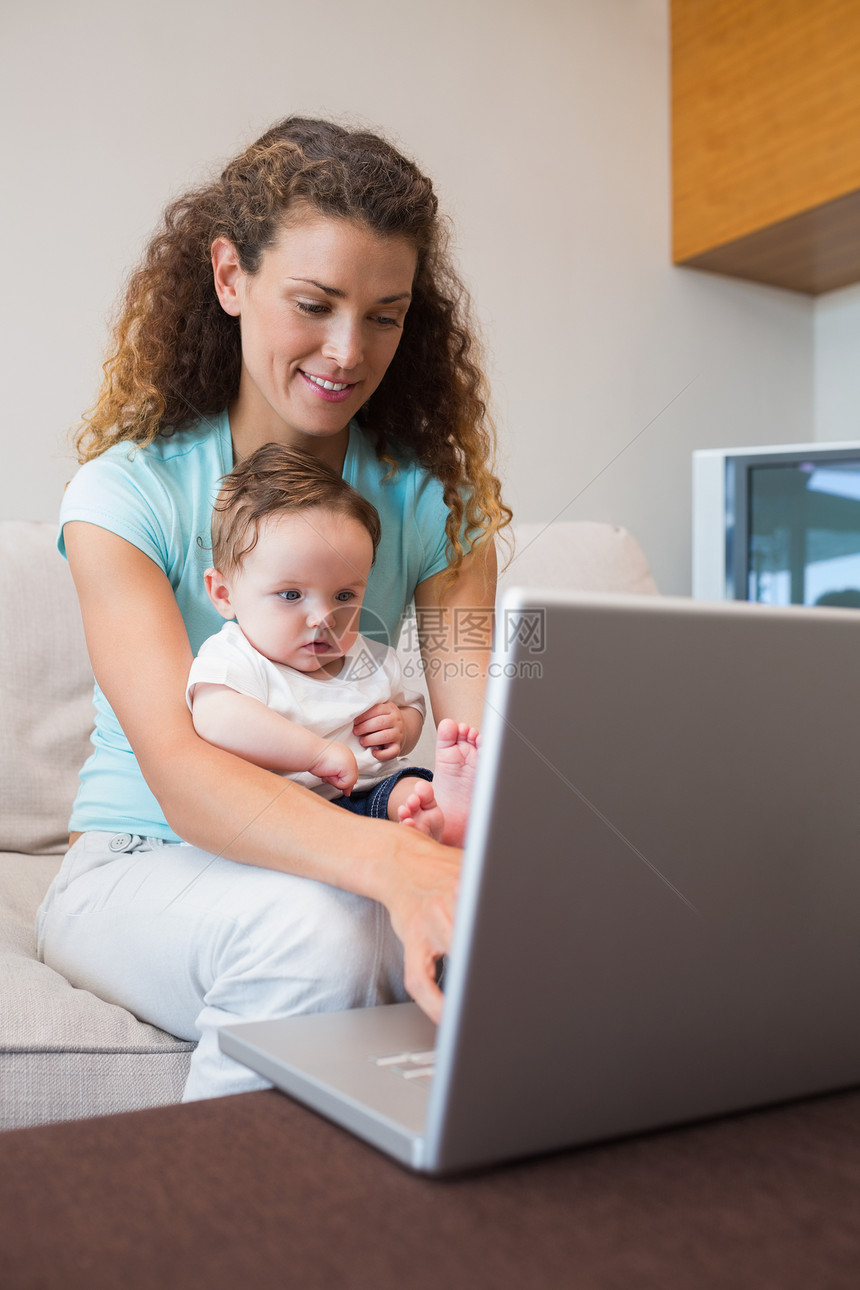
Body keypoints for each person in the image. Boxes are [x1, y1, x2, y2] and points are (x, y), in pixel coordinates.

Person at [36, 115, 510, 1101]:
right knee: (320, 941)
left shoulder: (440, 508)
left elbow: (479, 733)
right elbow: (183, 773)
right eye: (314, 303)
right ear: (229, 277)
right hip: (142, 858)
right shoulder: (123, 498)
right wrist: (389, 866)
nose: (348, 349)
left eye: (385, 314)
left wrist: (450, 819)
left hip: (345, 837)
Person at [188, 441, 480, 845]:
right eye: (291, 595)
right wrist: (315, 754)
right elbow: (215, 718)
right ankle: (425, 826)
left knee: (409, 788)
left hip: (369, 793)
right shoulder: (236, 658)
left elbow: (410, 703)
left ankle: (440, 817)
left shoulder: (371, 660)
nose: (323, 618)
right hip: (282, 807)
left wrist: (401, 728)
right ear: (224, 594)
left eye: (344, 596)